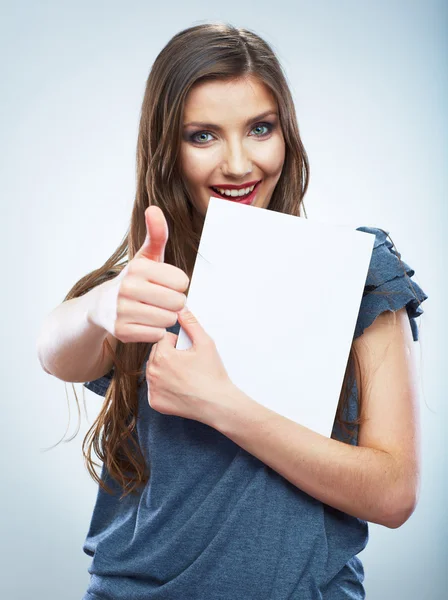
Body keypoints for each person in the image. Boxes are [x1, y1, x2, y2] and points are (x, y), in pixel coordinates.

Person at [37, 22, 428, 600]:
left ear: (287, 135)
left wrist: (222, 405)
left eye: (260, 129)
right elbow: (54, 350)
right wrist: (100, 305)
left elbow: (393, 493)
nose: (239, 163)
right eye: (203, 136)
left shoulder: (356, 270)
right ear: (167, 145)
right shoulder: (153, 282)